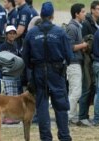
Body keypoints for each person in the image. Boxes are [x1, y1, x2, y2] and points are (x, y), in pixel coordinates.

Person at [23, 2, 72, 140]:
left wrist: (33, 68)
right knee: (61, 106)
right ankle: (64, 136)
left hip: (39, 72)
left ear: (41, 14)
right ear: (52, 15)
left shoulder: (32, 33)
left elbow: (25, 57)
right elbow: (69, 56)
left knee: (42, 106)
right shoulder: (60, 32)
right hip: (57, 72)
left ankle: (45, 137)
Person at [78, 0, 99, 126]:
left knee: (92, 88)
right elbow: (86, 42)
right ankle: (82, 115)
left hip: (94, 58)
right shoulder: (87, 23)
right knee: (86, 88)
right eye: (98, 9)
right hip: (87, 58)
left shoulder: (98, 22)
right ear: (92, 10)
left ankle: (86, 114)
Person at [66, 3, 88, 125]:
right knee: (76, 91)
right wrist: (84, 45)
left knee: (73, 91)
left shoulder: (78, 26)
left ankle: (72, 117)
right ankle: (68, 116)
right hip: (73, 62)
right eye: (83, 12)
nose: (85, 14)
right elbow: (70, 47)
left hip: (77, 61)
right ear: (77, 14)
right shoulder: (72, 27)